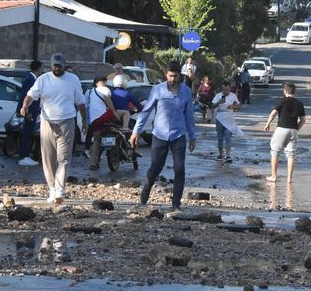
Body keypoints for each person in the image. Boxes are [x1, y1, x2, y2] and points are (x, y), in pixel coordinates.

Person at [21, 53, 87, 204]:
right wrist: (25, 106)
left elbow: (80, 101)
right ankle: (52, 188)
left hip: (67, 122)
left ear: (64, 65)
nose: (57, 68)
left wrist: (84, 120)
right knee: (48, 159)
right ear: (50, 65)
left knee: (63, 158)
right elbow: (31, 95)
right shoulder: (43, 79)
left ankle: (60, 190)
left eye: (60, 66)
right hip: (47, 122)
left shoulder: (73, 79)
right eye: (55, 66)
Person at [130, 61, 196, 211]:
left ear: (180, 76)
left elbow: (189, 116)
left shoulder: (186, 92)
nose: (173, 79)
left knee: (179, 169)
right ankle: (145, 194)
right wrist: (136, 132)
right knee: (155, 168)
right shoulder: (157, 90)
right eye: (170, 76)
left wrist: (192, 137)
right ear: (166, 74)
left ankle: (176, 205)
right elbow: (146, 111)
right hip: (159, 135)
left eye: (176, 76)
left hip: (178, 135)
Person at [263, 83, 306, 183]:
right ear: (294, 92)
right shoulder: (299, 103)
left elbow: (273, 113)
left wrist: (267, 124)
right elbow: (303, 120)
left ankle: (274, 176)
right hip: (293, 131)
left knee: (275, 152)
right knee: (291, 154)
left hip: (281, 129)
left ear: (285, 91)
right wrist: (296, 129)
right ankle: (289, 179)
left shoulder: (282, 101)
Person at [86, 76, 119, 170]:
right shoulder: (105, 89)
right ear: (104, 82)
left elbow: (86, 105)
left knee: (96, 140)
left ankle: (94, 163)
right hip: (105, 117)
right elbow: (109, 102)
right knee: (122, 116)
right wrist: (115, 113)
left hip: (94, 120)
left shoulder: (89, 92)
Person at [17, 60, 43, 166]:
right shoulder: (30, 80)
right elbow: (26, 96)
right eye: (41, 68)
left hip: (33, 111)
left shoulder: (33, 79)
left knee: (28, 133)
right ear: (38, 68)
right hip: (30, 112)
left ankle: (26, 155)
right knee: (27, 133)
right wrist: (27, 111)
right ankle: (24, 156)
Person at [210, 81, 242, 163]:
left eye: (227, 90)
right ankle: (220, 154)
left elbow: (239, 105)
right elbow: (212, 106)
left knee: (228, 136)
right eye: (223, 90)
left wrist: (233, 106)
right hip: (220, 118)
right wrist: (219, 102)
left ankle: (228, 155)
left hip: (229, 118)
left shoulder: (233, 96)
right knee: (220, 137)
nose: (225, 91)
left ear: (229, 89)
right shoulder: (218, 96)